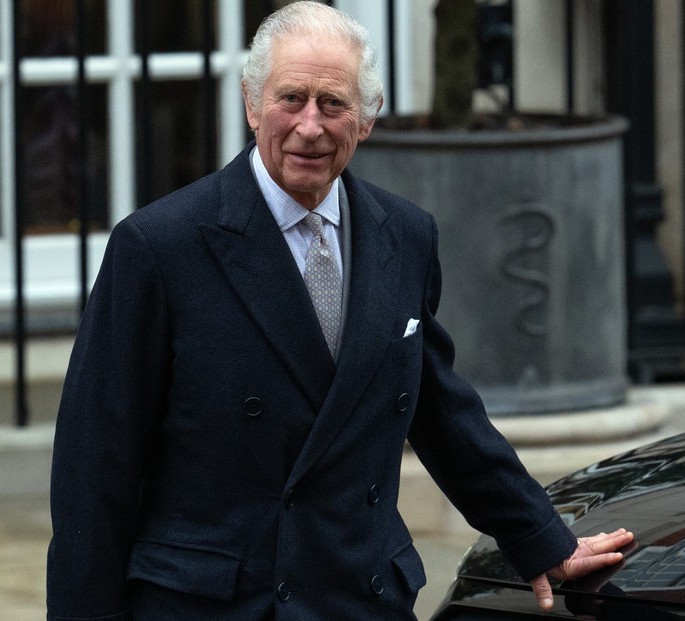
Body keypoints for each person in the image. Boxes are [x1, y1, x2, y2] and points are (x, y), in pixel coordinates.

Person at [46, 2, 633, 620]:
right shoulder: (160, 246)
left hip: (360, 595)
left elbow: (438, 407)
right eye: (291, 98)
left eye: (333, 104)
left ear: (367, 118)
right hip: (219, 604)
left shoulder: (405, 235)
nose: (310, 126)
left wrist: (542, 538)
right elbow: (95, 470)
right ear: (251, 105)